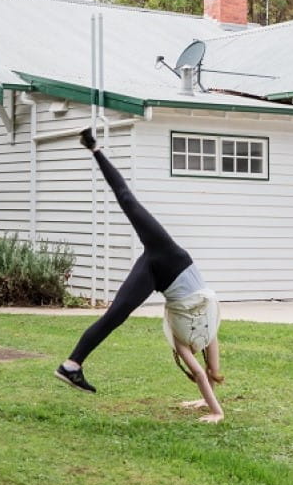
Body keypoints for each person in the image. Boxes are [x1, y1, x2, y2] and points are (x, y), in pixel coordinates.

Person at [55, 128, 225, 423]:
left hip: (160, 269)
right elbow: (208, 370)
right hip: (168, 255)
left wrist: (210, 397)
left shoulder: (197, 333)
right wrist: (215, 409)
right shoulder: (193, 334)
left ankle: (71, 365)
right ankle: (95, 149)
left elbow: (209, 369)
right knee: (128, 201)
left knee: (116, 315)